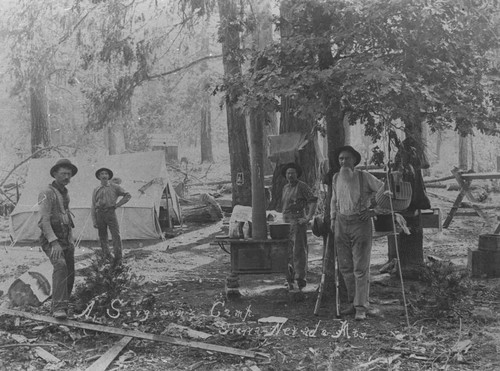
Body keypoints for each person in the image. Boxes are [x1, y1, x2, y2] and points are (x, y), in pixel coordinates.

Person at [329, 146, 383, 320]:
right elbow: (334, 199)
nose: (343, 162)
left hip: (360, 223)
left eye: (347, 158)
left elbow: (385, 191)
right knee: (345, 267)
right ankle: (353, 303)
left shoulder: (364, 177)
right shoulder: (336, 177)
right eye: (341, 159)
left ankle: (361, 307)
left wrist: (375, 210)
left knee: (360, 267)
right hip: (340, 223)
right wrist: (332, 219)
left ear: (354, 160)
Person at [38, 159, 78, 319]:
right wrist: (54, 242)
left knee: (70, 270)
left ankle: (65, 301)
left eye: (69, 174)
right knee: (60, 266)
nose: (67, 177)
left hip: (65, 238)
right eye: (63, 173)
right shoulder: (46, 193)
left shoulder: (64, 192)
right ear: (55, 174)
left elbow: (65, 216)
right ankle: (58, 307)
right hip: (51, 239)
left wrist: (69, 239)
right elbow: (44, 220)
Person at [280, 162, 318, 290]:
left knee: (298, 250)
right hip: (285, 222)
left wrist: (308, 218)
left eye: (292, 173)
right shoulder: (285, 187)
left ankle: (300, 278)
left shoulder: (302, 186)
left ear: (297, 174)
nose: (290, 175)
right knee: (288, 251)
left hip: (297, 222)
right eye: (288, 173)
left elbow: (313, 200)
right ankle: (289, 277)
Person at [91, 167, 131, 265]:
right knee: (102, 236)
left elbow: (128, 195)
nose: (104, 176)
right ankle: (106, 256)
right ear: (99, 177)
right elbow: (93, 205)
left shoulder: (115, 187)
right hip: (99, 214)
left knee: (115, 235)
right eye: (101, 174)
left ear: (109, 176)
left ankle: (118, 258)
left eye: (106, 174)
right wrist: (94, 220)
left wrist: (117, 205)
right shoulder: (96, 189)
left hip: (110, 213)